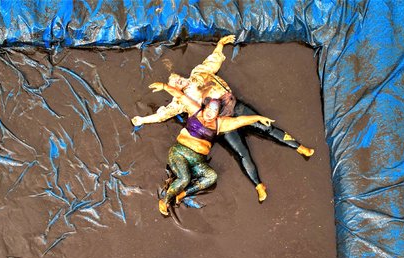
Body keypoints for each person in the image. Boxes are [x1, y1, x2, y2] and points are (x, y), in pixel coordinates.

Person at [131, 35, 314, 203]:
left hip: (235, 106)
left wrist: (220, 45)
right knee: (242, 152)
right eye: (176, 85)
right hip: (220, 123)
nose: (179, 83)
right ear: (176, 91)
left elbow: (213, 61)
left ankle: (299, 147)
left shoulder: (199, 73)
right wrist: (142, 120)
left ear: (182, 77)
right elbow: (163, 114)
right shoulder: (183, 102)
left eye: (178, 79)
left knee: (266, 126)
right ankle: (259, 185)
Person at [147, 82, 273, 215]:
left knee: (211, 176)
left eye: (214, 112)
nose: (209, 114)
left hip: (198, 161)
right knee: (184, 178)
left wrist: (258, 117)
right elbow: (181, 96)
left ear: (218, 114)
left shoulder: (221, 123)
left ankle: (183, 193)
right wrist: (164, 86)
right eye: (208, 109)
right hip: (180, 152)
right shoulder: (195, 110)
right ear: (205, 107)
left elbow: (240, 120)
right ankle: (165, 200)